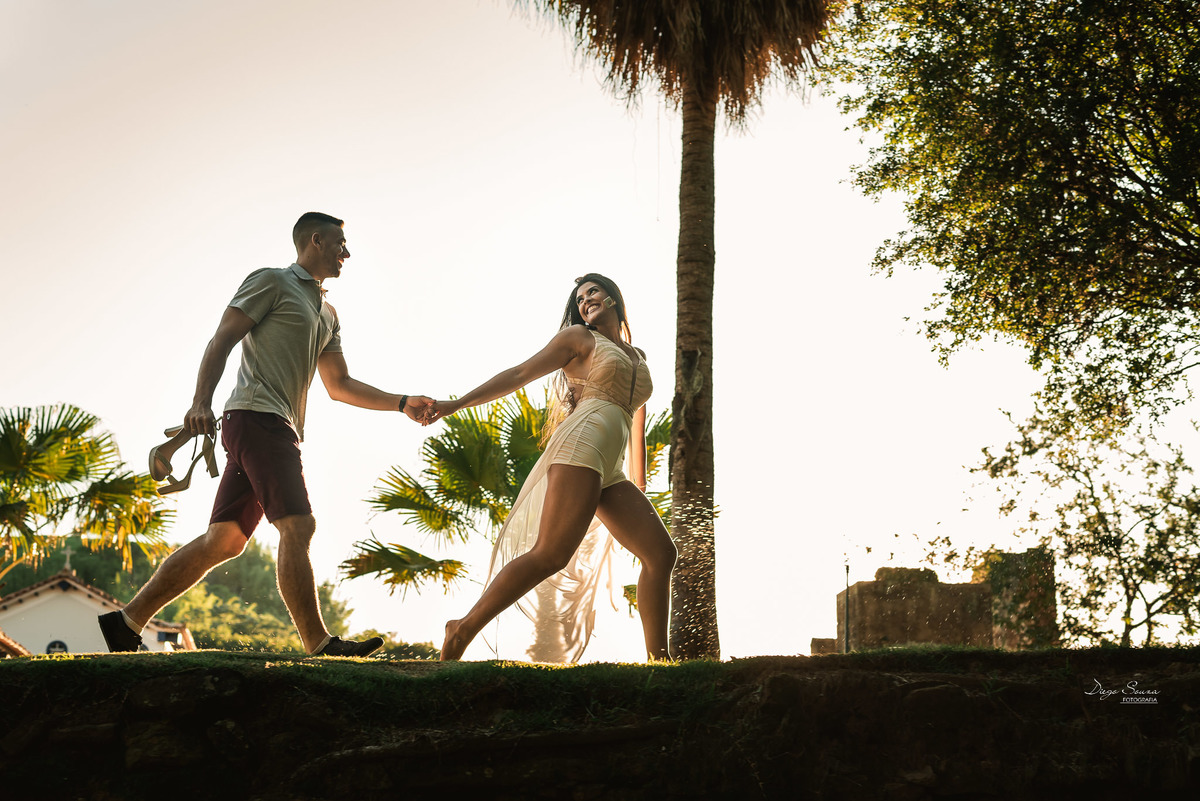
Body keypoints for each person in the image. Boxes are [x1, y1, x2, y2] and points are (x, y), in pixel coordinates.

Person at [98, 212, 433, 657]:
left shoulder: (327, 314)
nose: (346, 253)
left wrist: (400, 401)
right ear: (316, 240)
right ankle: (319, 644)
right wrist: (200, 402)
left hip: (275, 427)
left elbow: (340, 386)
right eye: (339, 244)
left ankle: (125, 623)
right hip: (257, 419)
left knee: (226, 541)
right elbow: (222, 339)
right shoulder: (272, 281)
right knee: (298, 525)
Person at [427, 273, 676, 662]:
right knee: (551, 554)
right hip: (582, 442)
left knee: (661, 554)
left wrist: (638, 486)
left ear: (612, 299)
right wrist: (455, 404)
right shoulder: (580, 338)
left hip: (611, 466)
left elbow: (636, 428)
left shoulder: (637, 356)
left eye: (592, 292)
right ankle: (462, 628)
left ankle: (661, 664)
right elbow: (519, 374)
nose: (585, 301)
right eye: (579, 299)